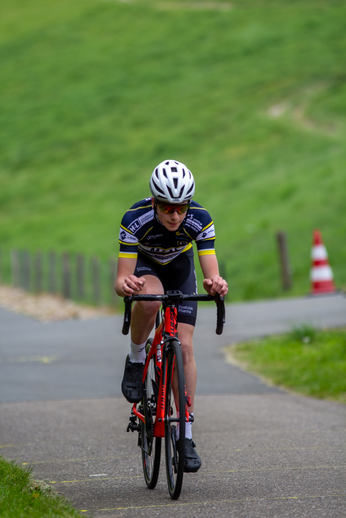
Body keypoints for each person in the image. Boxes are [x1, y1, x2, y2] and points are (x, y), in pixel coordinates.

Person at [115, 159, 228, 473]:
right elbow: (120, 280)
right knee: (150, 302)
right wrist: (127, 285)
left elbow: (211, 274)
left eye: (181, 208)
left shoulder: (200, 220)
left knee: (185, 347)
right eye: (167, 209)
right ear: (154, 202)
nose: (175, 216)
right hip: (146, 268)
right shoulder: (134, 219)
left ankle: (185, 435)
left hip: (180, 269)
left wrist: (215, 284)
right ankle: (137, 358)